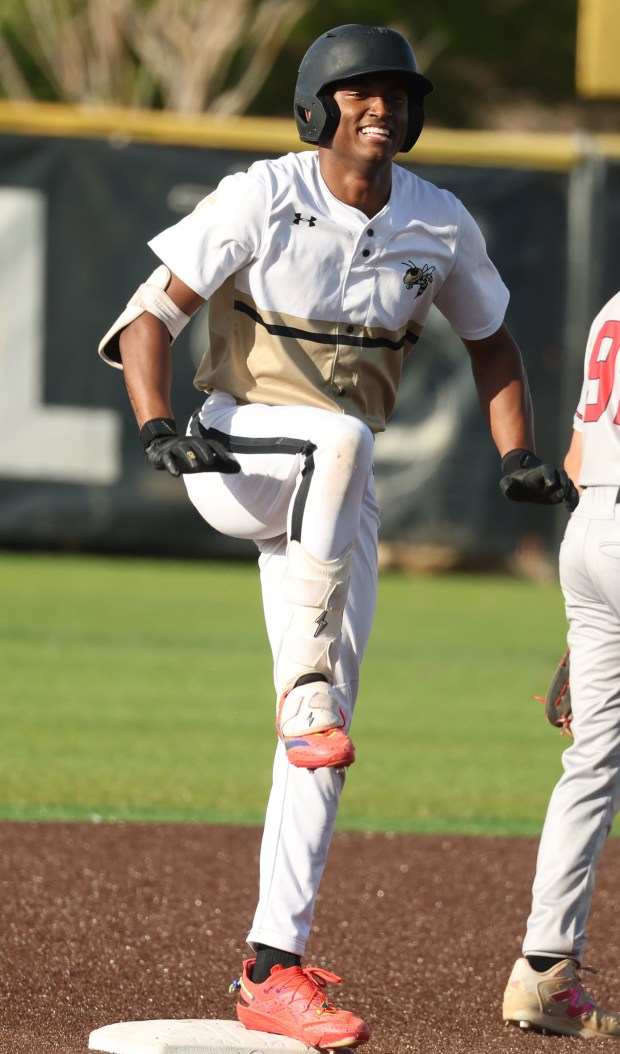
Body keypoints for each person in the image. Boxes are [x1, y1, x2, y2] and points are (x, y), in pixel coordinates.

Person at [99, 24, 577, 1049]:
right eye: (360, 91)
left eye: (398, 94)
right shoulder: (261, 195)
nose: (382, 107)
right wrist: (153, 426)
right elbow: (148, 319)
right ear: (316, 106)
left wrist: (512, 457)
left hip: (330, 487)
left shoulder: (436, 222)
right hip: (234, 449)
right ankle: (304, 680)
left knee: (321, 747)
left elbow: (491, 341)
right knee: (338, 435)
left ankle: (271, 964)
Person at [503, 290, 620, 1040]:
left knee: (593, 762)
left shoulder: (613, 307)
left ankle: (544, 973)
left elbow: (578, 454)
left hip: (591, 531)